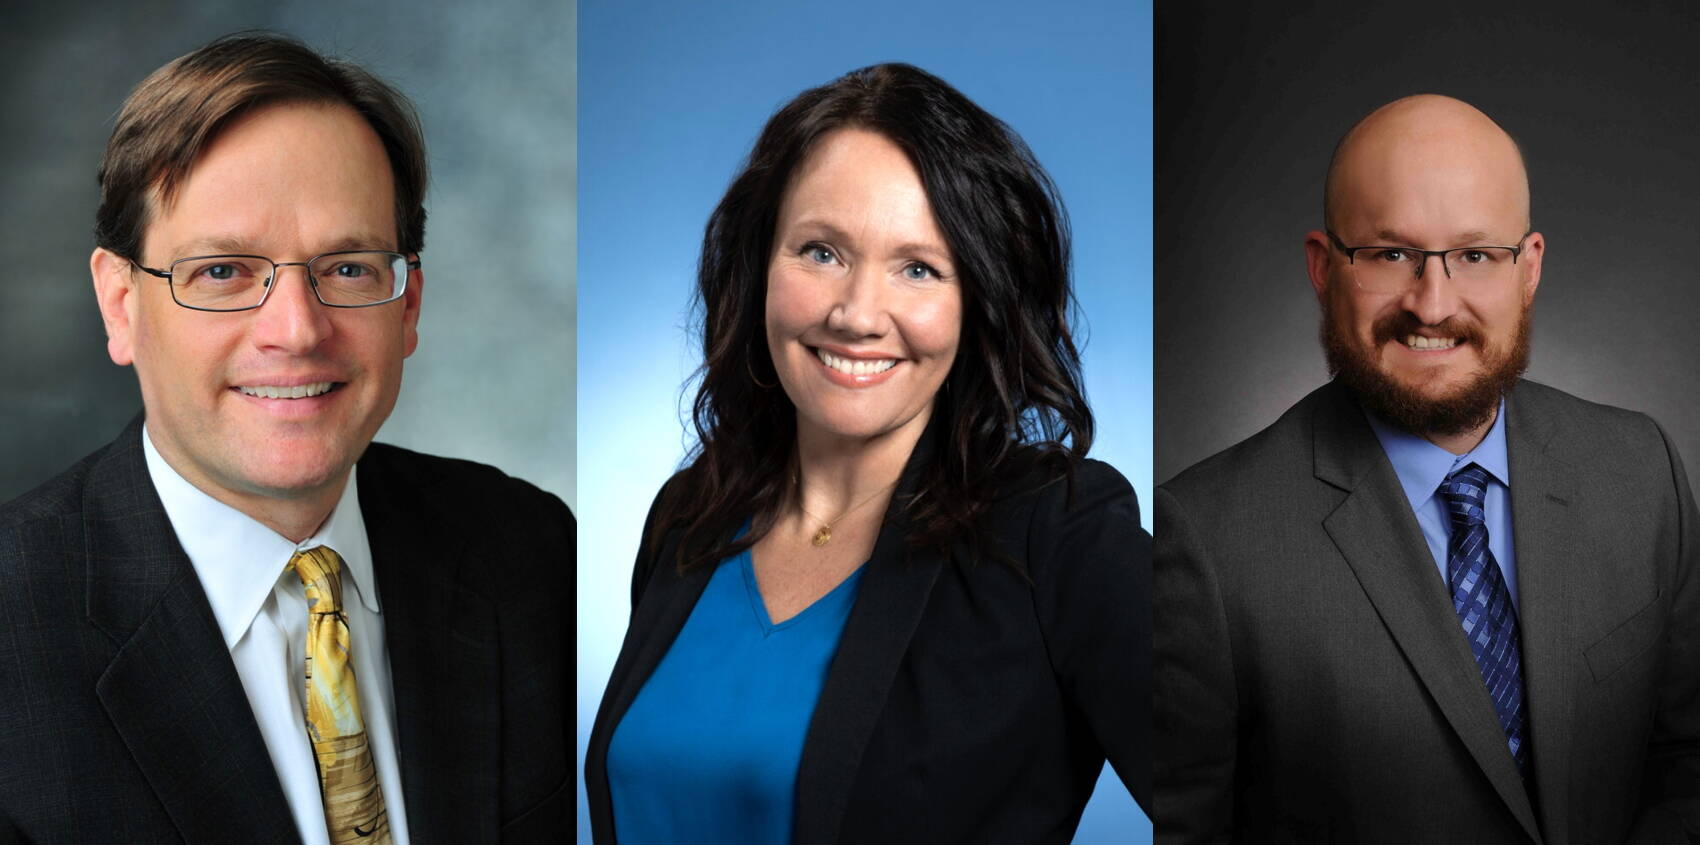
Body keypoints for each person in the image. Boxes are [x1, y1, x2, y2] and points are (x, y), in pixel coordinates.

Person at [0, 33, 572, 844]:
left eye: (347, 270)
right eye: (223, 272)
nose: (297, 331)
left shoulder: (533, 549)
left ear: (407, 306)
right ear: (120, 304)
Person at [582, 63, 1149, 844]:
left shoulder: (1058, 531)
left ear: (976, 300)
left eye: (918, 268)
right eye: (821, 252)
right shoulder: (690, 516)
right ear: (760, 267)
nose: (856, 313)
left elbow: (1234, 788)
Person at [1153, 94, 1700, 842]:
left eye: (1475, 255)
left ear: (1529, 268)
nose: (1433, 304)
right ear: (1323, 267)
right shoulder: (1208, 541)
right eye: (1390, 254)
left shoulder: (1642, 472)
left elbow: (1686, 765)